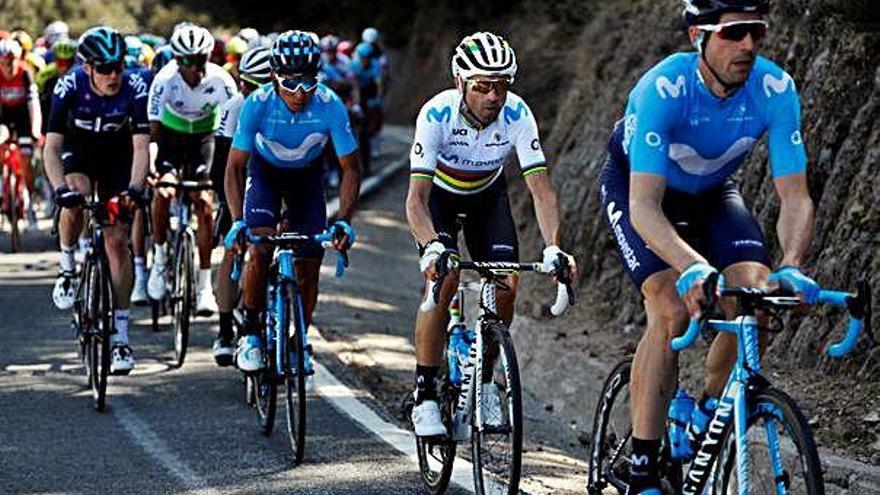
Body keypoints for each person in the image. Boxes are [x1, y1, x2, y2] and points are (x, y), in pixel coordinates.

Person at [597, 1, 816, 493]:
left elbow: (795, 195)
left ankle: (708, 411)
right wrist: (692, 265)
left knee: (757, 298)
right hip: (640, 190)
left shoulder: (775, 89)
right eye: (734, 33)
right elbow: (644, 209)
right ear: (698, 35)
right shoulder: (663, 88)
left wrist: (794, 264)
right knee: (670, 309)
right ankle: (643, 468)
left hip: (713, 193)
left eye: (757, 33)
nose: (749, 46)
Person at [406, 32, 575, 437]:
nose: (494, 96)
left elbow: (541, 190)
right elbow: (415, 199)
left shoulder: (518, 114)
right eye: (482, 86)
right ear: (459, 82)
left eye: (502, 85)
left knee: (506, 286)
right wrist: (432, 246)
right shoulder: (436, 115)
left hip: (487, 198)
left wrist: (554, 246)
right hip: (439, 202)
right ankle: (425, 394)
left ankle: (484, 382)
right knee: (442, 282)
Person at [224, 30, 360, 375]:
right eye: (290, 82)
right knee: (259, 247)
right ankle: (251, 333)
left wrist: (343, 219)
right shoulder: (257, 103)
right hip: (265, 173)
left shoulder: (330, 104)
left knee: (310, 263)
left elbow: (350, 169)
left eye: (309, 81)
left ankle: (300, 339)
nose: (300, 93)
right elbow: (234, 167)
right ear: (274, 76)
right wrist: (238, 220)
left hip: (306, 179)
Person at [46, 26, 150, 374]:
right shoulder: (69, 86)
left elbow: (140, 148)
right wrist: (60, 190)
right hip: (80, 152)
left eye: (118, 66)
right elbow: (52, 148)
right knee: (74, 198)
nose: (113, 74)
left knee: (117, 241)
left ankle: (120, 338)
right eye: (104, 68)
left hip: (119, 157)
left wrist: (135, 190)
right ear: (87, 67)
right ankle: (66, 267)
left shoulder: (135, 86)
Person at [146, 25, 236, 315]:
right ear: (176, 59)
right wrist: (153, 169)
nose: (194, 68)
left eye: (200, 60)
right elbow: (153, 133)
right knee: (163, 193)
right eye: (186, 61)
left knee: (205, 202)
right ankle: (159, 262)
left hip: (205, 139)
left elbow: (233, 131)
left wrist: (225, 177)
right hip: (170, 139)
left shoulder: (222, 81)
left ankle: (204, 285)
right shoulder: (164, 80)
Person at [209, 46, 272, 365]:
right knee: (233, 248)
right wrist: (230, 211)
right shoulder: (235, 106)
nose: (246, 92)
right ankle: (223, 329)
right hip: (240, 178)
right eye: (244, 84)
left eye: (254, 86)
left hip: (275, 179)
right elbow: (221, 166)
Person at [0, 37, 42, 230]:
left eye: (11, 60)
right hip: (4, 115)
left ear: (18, 59)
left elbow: (34, 104)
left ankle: (30, 201)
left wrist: (35, 130)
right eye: (3, 62)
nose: (8, 66)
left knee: (25, 158)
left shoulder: (25, 73)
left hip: (23, 115)